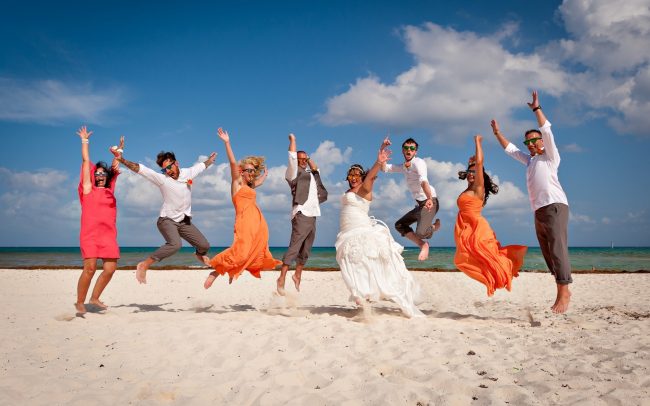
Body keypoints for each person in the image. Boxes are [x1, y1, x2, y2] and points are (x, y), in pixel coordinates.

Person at [491, 90, 572, 313]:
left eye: (533, 140)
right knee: (548, 253)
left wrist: (536, 109)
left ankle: (563, 293)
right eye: (527, 142)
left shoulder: (550, 157)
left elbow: (547, 130)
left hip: (555, 206)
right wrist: (498, 133)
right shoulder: (529, 161)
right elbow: (510, 150)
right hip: (538, 211)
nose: (529, 144)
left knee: (557, 250)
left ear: (541, 142)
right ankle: (563, 288)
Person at [335, 146, 424, 318]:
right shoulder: (349, 191)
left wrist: (378, 162)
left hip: (360, 230)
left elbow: (369, 179)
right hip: (347, 231)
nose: (353, 178)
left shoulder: (364, 190)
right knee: (351, 263)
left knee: (362, 262)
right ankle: (361, 294)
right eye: (351, 175)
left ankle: (363, 295)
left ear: (361, 177)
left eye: (357, 175)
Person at [115, 147, 216, 284]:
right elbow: (141, 169)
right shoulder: (162, 179)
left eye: (169, 167)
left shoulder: (188, 173)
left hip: (184, 221)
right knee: (175, 244)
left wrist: (210, 160)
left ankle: (199, 255)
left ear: (176, 163)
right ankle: (144, 264)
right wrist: (121, 160)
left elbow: (202, 166)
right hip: (166, 220)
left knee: (204, 245)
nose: (168, 171)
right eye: (165, 169)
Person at [204, 128, 281, 287]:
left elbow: (258, 182)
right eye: (250, 170)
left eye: (254, 170)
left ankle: (234, 270)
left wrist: (264, 175)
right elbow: (233, 163)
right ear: (242, 171)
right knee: (241, 251)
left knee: (256, 251)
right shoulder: (237, 184)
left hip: (258, 223)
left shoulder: (251, 186)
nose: (253, 173)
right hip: (244, 222)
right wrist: (227, 143)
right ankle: (216, 271)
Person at [454, 134, 527, 296]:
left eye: (475, 172)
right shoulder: (468, 189)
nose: (472, 174)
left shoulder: (478, 189)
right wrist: (470, 164)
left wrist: (477, 142)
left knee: (485, 257)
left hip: (477, 229)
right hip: (466, 228)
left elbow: (479, 163)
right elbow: (475, 165)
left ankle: (503, 270)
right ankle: (491, 278)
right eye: (470, 172)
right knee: (461, 260)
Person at [75, 126, 123, 314]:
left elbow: (116, 164)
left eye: (103, 173)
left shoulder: (110, 190)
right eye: (98, 173)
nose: (100, 175)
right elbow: (86, 160)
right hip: (90, 235)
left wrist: (119, 151)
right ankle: (80, 301)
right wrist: (85, 141)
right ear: (93, 176)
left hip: (108, 235)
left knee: (110, 268)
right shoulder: (88, 189)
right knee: (90, 268)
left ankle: (94, 298)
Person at [277, 133, 328, 295]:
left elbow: (316, 169)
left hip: (313, 214)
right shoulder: (293, 173)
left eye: (305, 159)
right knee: (295, 246)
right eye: (301, 159)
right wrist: (293, 142)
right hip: (301, 213)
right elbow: (292, 158)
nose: (304, 161)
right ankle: (282, 277)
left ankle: (297, 274)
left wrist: (308, 158)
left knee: (306, 249)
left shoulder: (310, 174)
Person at [381, 137, 440, 261]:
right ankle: (422, 244)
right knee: (400, 225)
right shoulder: (403, 166)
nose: (409, 150)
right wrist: (382, 149)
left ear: (415, 152)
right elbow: (384, 168)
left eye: (412, 148)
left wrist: (429, 198)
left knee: (421, 232)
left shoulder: (419, 163)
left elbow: (424, 181)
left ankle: (433, 227)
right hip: (420, 205)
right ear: (403, 150)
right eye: (406, 148)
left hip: (430, 201)